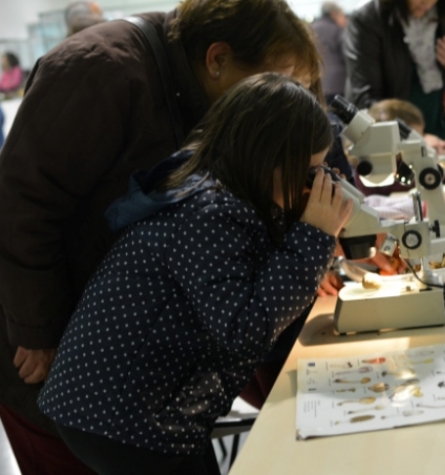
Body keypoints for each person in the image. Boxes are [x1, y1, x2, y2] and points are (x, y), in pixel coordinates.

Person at [0, 1, 321, 474]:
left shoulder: (196, 91)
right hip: (53, 358)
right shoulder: (101, 70)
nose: (276, 99)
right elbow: (20, 204)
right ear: (217, 59)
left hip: (130, 372)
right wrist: (37, 330)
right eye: (273, 81)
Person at [36, 72, 351, 475]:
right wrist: (313, 237)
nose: (317, 182)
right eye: (309, 171)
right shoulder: (210, 214)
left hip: (127, 407)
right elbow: (243, 328)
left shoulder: (222, 194)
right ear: (266, 158)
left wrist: (307, 239)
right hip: (123, 416)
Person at [344, 0, 445, 140]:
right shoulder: (367, 18)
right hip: (391, 137)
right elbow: (366, 98)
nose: (426, 3)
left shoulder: (438, 14)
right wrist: (415, 136)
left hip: (435, 127)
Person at [354, 98, 445, 196]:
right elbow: (427, 184)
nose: (421, 140)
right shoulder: (384, 169)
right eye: (417, 136)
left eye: (422, 134)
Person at [311, 2, 348, 104]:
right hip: (338, 84)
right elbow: (347, 54)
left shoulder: (311, 28)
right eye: (342, 15)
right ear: (334, 14)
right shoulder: (337, 30)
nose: (345, 19)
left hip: (317, 82)